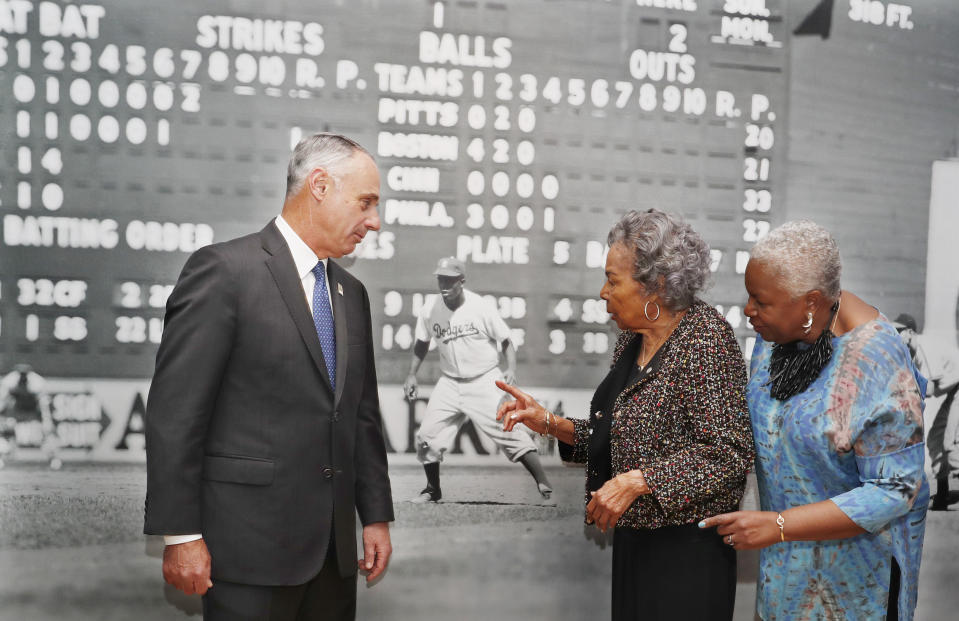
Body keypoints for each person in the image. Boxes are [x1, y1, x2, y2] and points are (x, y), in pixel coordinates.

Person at [144, 133, 394, 621]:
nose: (374, 222)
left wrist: (376, 516)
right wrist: (181, 536)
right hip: (247, 557)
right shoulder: (224, 272)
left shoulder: (351, 293)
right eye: (365, 202)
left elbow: (360, 416)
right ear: (319, 185)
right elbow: (176, 414)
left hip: (333, 560)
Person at [497, 209, 754, 620]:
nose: (603, 292)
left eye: (613, 280)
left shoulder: (707, 339)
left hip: (686, 557)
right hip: (636, 546)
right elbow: (617, 440)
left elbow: (728, 453)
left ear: (657, 286)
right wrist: (549, 423)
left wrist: (640, 481)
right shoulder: (630, 343)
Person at [701, 221, 928, 621]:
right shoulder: (772, 340)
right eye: (749, 296)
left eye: (761, 301)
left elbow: (894, 491)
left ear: (811, 302)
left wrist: (782, 525)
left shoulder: (878, 361)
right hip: (783, 582)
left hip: (854, 591)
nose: (748, 310)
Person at [404, 256, 553, 504]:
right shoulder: (429, 309)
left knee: (509, 429)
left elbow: (506, 340)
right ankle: (432, 489)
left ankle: (543, 481)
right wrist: (411, 374)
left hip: (484, 380)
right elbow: (422, 343)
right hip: (450, 382)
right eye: (440, 278)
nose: (444, 284)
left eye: (450, 280)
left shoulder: (480, 306)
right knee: (427, 435)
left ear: (461, 281)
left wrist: (511, 368)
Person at [893, 313, 959, 511]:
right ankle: (942, 494)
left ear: (911, 332)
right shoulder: (913, 353)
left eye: (899, 331)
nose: (895, 336)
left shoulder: (924, 347)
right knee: (935, 439)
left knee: (950, 443)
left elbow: (929, 390)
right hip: (954, 391)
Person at [0, 363, 61, 470]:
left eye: (25, 374)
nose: (23, 377)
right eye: (21, 374)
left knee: (46, 432)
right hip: (17, 408)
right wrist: (4, 418)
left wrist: (47, 420)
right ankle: (1, 458)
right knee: (6, 431)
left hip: (33, 408)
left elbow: (43, 404)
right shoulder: (9, 381)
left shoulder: (37, 383)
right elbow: (4, 402)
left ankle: (54, 459)